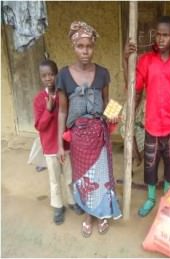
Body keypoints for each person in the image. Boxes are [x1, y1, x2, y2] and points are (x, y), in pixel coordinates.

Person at [56, 21, 122, 237]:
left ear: (94, 46)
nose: (85, 51)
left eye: (89, 46)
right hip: (78, 139)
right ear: (73, 47)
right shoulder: (64, 75)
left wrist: (115, 114)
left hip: (99, 135)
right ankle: (88, 214)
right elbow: (63, 112)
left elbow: (106, 102)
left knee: (101, 175)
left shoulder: (102, 73)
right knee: (83, 177)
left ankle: (103, 213)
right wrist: (59, 145)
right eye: (80, 46)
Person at [124, 16, 170, 217]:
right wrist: (124, 59)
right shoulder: (146, 61)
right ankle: (151, 198)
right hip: (152, 125)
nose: (161, 39)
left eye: (166, 35)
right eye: (158, 35)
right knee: (150, 164)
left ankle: (168, 198)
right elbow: (133, 89)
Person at [33, 59, 84, 225]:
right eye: (44, 76)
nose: (48, 78)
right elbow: (39, 126)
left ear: (57, 75)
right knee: (54, 179)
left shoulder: (64, 95)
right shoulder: (40, 99)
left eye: (51, 74)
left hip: (66, 145)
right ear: (41, 78)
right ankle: (57, 206)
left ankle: (72, 201)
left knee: (70, 176)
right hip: (50, 147)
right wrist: (48, 110)